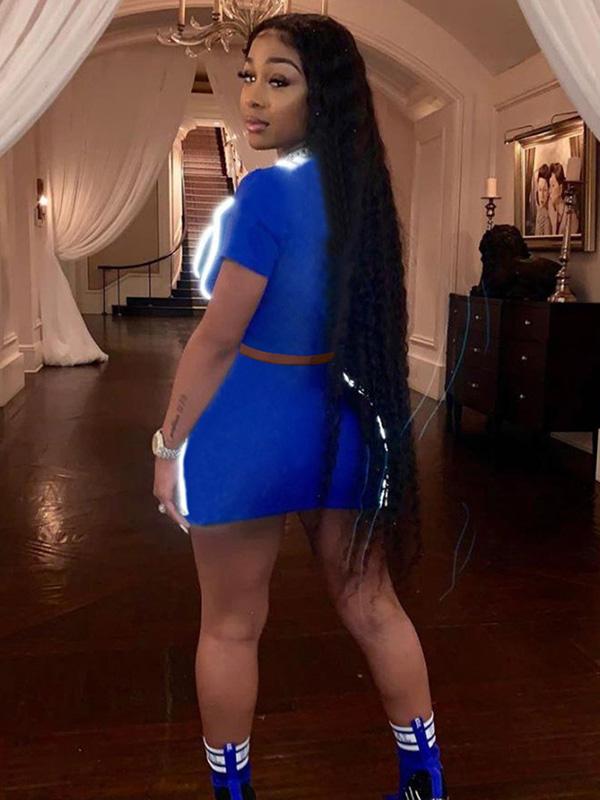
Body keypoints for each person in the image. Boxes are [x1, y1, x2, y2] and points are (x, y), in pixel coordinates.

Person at [152, 12, 448, 800]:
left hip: (246, 432)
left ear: (325, 97)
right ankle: (425, 782)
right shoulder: (362, 196)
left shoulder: (265, 195)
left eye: (278, 81)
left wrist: (166, 446)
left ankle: (233, 793)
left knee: (230, 627)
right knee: (374, 606)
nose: (252, 96)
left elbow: (216, 342)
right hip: (337, 427)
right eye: (248, 76)